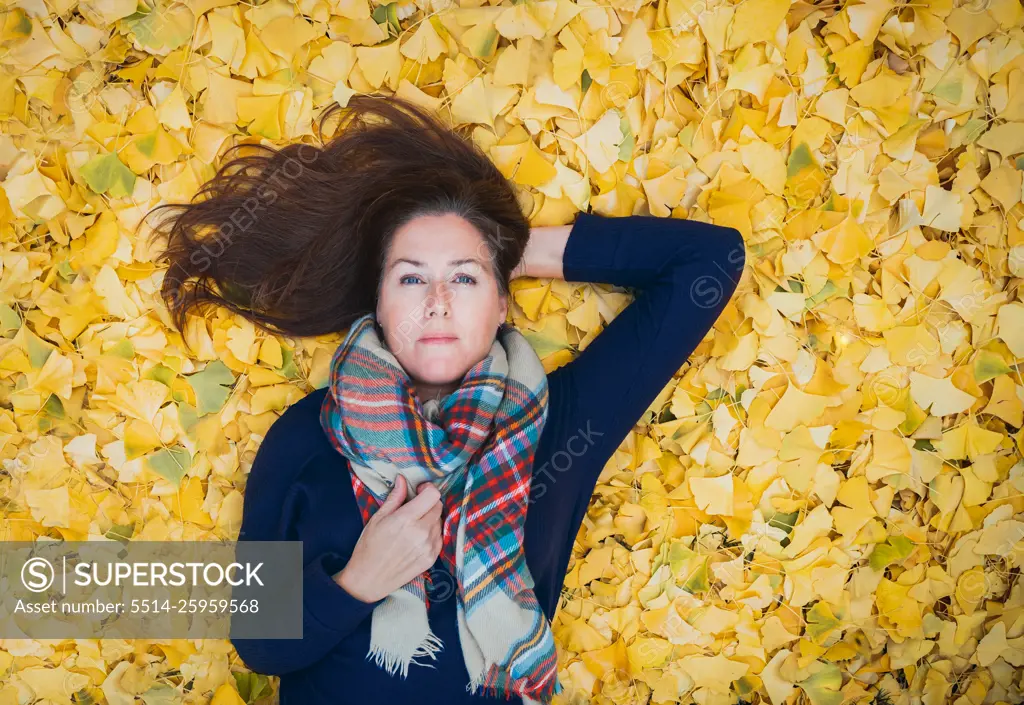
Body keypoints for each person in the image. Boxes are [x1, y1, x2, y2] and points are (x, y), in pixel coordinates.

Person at [148, 93, 746, 705]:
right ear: (378, 302)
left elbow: (709, 259)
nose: (438, 300)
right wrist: (360, 581)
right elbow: (257, 642)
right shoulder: (307, 433)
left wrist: (509, 248)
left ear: (503, 299)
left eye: (464, 278)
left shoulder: (555, 426)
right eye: (410, 277)